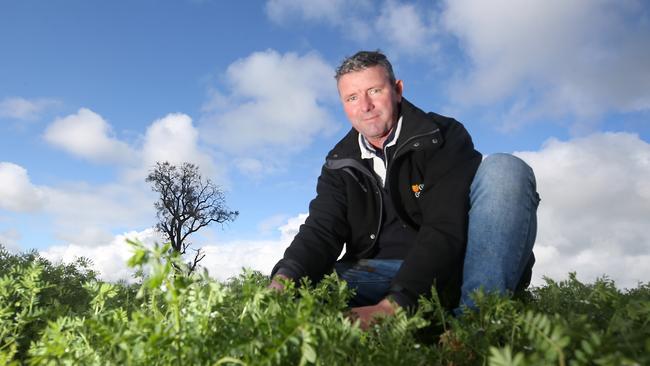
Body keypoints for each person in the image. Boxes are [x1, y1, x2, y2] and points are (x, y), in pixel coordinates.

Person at [270, 50, 539, 329]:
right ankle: (420, 321)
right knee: (303, 287)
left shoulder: (443, 136)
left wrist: (395, 305)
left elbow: (445, 225)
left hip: (454, 273)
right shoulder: (338, 162)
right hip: (379, 274)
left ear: (397, 90)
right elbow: (321, 230)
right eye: (352, 98)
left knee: (506, 168)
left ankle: (475, 325)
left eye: (374, 91)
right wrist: (283, 281)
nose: (365, 106)